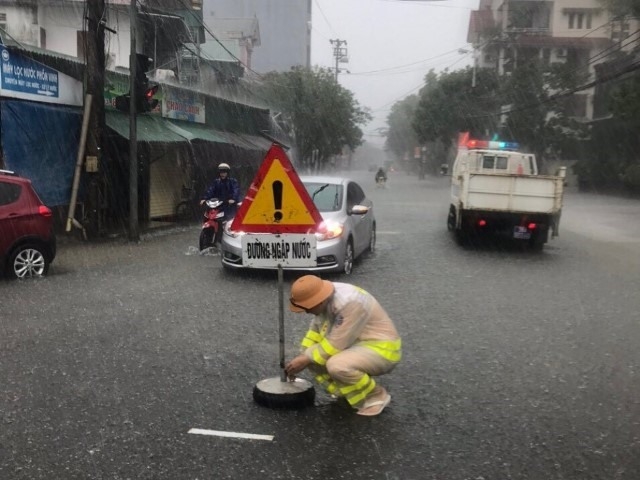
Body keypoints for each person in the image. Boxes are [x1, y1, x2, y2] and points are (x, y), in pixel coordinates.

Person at [285, 275, 402, 416]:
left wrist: (305, 358)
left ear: (319, 301)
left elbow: (335, 343)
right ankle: (345, 390)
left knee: (337, 365)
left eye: (308, 307)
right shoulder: (324, 295)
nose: (306, 311)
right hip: (356, 343)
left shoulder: (350, 303)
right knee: (310, 356)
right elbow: (316, 330)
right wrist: (302, 356)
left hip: (383, 349)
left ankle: (375, 397)